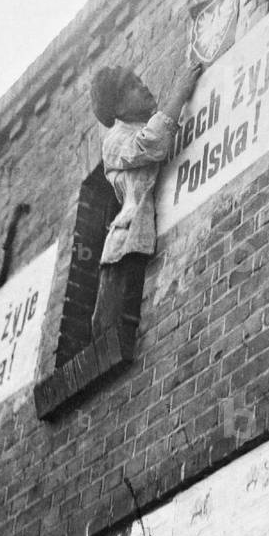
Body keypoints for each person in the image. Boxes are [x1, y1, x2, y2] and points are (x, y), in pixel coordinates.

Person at [89, 60, 202, 339]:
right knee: (114, 336)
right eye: (131, 86)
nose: (142, 86)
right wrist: (179, 94)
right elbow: (152, 143)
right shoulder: (115, 140)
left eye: (139, 81)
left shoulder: (143, 125)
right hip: (123, 247)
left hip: (139, 241)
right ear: (117, 108)